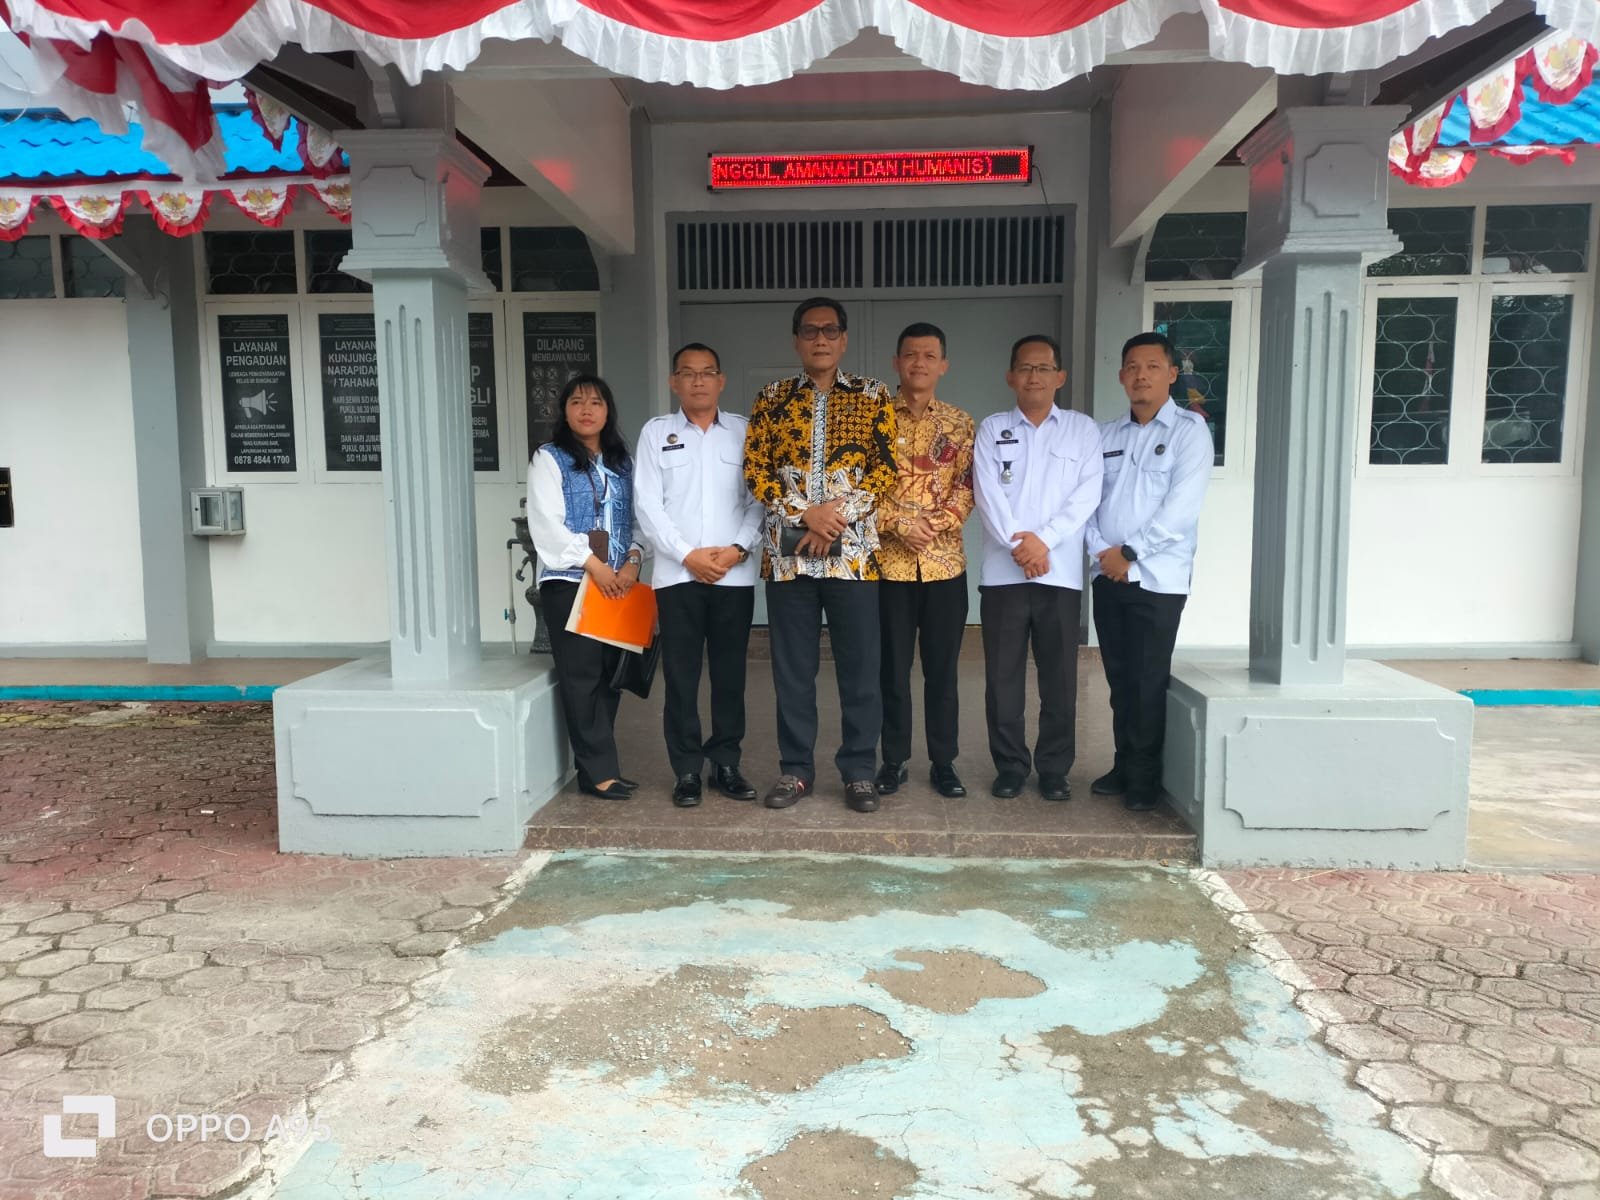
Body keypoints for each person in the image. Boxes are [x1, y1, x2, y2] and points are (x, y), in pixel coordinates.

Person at [744, 296, 897, 814]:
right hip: (788, 560)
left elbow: (884, 470)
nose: (820, 339)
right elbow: (756, 471)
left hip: (853, 556)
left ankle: (859, 772)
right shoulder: (771, 399)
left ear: (844, 339)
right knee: (793, 670)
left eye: (830, 330)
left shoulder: (873, 396)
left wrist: (834, 517)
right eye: (810, 331)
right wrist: (804, 513)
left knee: (860, 668)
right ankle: (795, 770)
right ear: (796, 341)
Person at [972, 335, 1103, 802]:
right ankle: (1010, 766)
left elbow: (1087, 495)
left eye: (1044, 368)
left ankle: (1054, 768)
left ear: (1059, 377)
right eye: (1025, 368)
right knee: (1002, 679)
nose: (1034, 376)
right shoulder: (992, 429)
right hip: (1003, 575)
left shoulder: (1082, 431)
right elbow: (987, 495)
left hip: (1060, 574)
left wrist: (1043, 541)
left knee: (1059, 680)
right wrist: (1022, 545)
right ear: (1010, 376)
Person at [1087, 331, 1213, 812]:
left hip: (1158, 580)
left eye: (1153, 366)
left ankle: (1144, 776)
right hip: (1108, 575)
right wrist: (1103, 553)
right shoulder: (1105, 435)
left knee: (1148, 680)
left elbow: (1181, 508)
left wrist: (1131, 553)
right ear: (1122, 375)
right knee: (1120, 679)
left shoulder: (1189, 432)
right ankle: (1123, 764)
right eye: (1133, 367)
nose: (1142, 376)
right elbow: (1086, 502)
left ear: (1172, 374)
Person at [634, 343, 764, 808]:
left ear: (721, 380)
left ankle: (726, 762)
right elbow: (648, 504)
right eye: (688, 373)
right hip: (677, 577)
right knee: (681, 677)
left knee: (730, 676)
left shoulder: (745, 432)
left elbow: (759, 499)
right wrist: (687, 555)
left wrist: (737, 549)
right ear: (674, 382)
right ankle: (687, 769)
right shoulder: (656, 433)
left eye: (707, 372)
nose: (698, 381)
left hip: (734, 574)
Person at [525, 375, 645, 800]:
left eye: (596, 402)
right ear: (565, 411)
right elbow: (546, 524)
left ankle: (599, 766)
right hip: (572, 582)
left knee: (611, 676)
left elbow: (638, 520)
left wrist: (632, 562)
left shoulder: (622, 462)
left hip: (618, 585)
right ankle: (598, 773)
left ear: (608, 411)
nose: (586, 410)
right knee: (582, 677)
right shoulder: (549, 458)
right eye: (577, 402)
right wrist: (595, 565)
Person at [874, 322, 975, 800]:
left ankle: (944, 762)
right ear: (896, 362)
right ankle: (893, 761)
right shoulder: (873, 418)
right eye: (911, 354)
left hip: (944, 567)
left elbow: (968, 487)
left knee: (943, 672)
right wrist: (900, 524)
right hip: (888, 568)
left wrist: (932, 525)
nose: (919, 363)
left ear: (944, 365)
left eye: (929, 355)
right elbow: (861, 487)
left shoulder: (960, 422)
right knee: (891, 671)